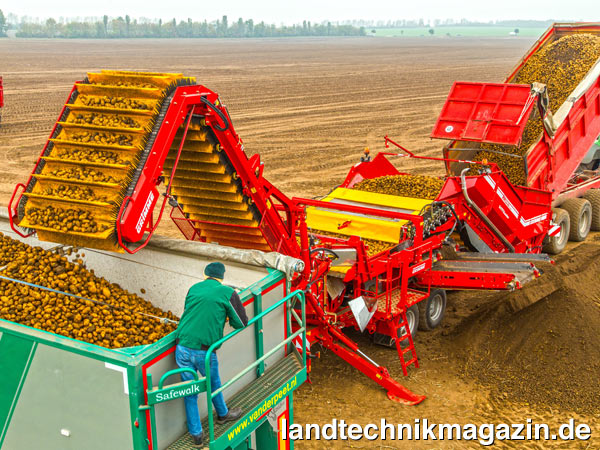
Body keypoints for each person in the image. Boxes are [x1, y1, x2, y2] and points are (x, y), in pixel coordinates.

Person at [175, 261, 249, 446]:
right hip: (203, 351)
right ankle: (223, 414)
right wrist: (224, 318)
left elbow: (190, 312)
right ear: (222, 277)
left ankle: (197, 435)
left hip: (182, 347)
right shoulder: (227, 293)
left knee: (190, 391)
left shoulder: (193, 288)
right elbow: (241, 322)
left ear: (205, 274)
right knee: (213, 383)